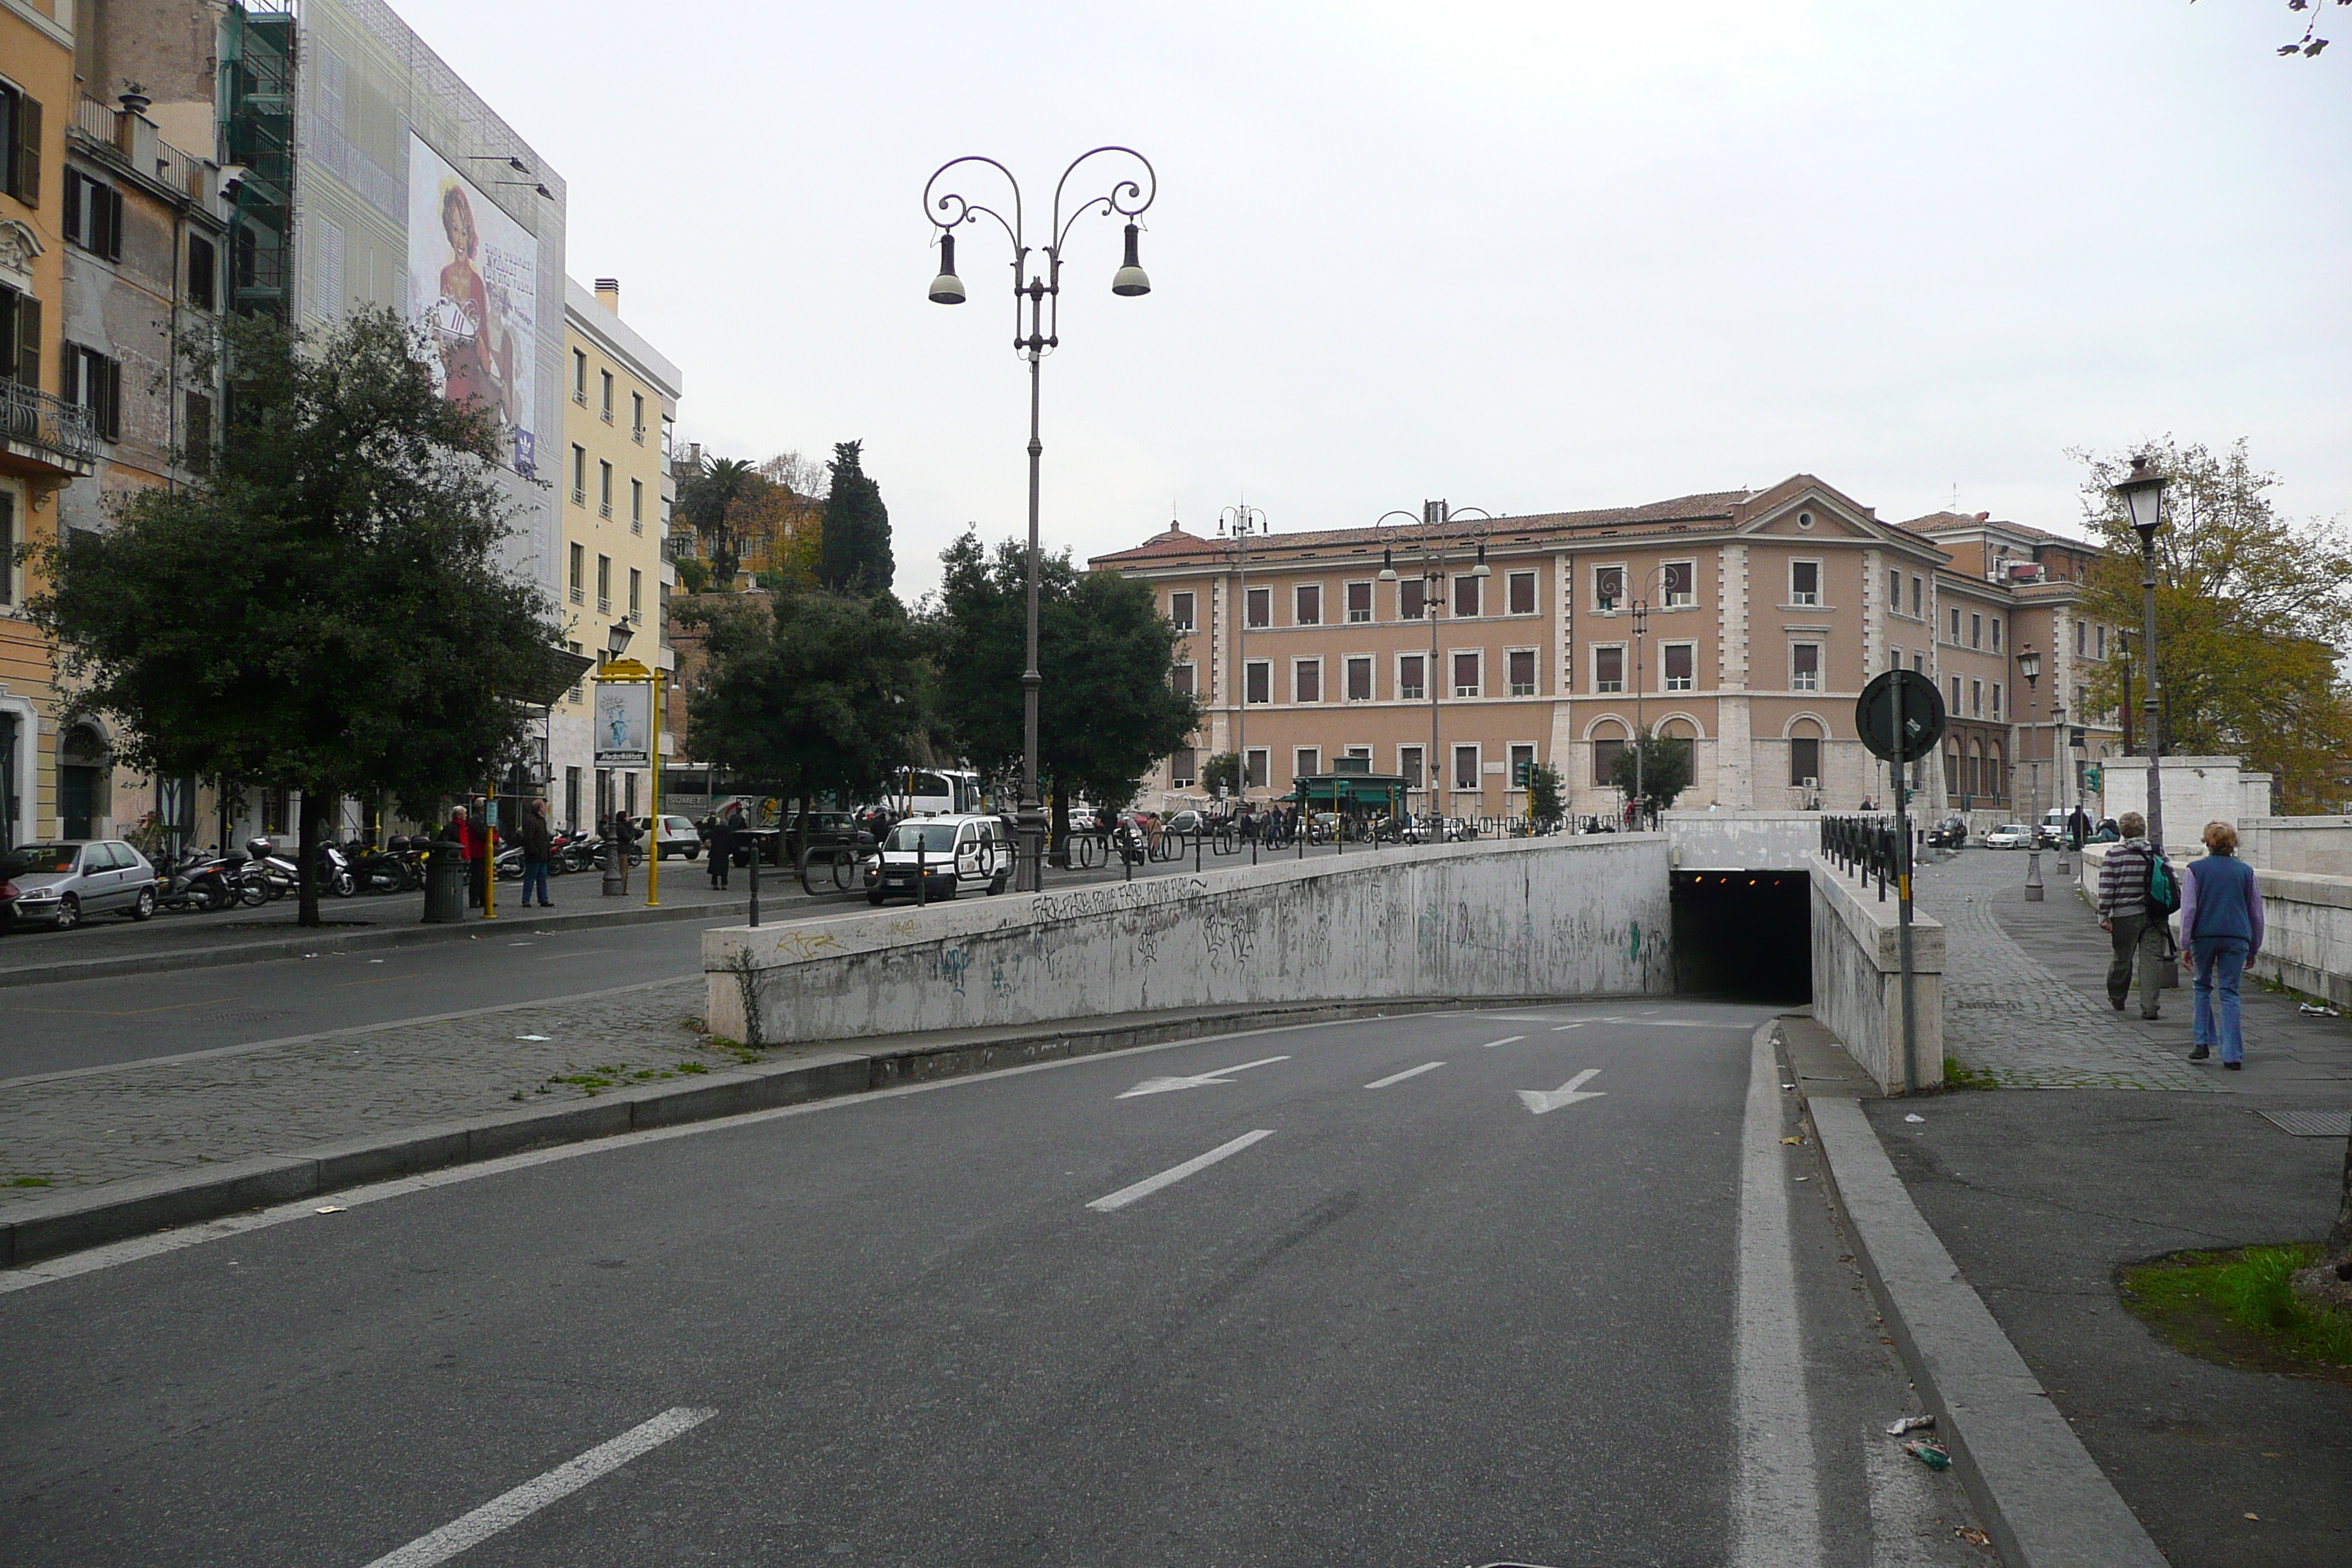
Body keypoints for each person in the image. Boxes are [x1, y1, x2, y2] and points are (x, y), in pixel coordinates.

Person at [2181, 821, 2265, 1069]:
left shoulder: (2195, 870)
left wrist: (2185, 942)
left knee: (2202, 986)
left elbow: (2189, 910)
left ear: (2208, 844)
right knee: (2230, 992)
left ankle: (2202, 1041)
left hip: (2205, 935)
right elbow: (2256, 913)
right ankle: (2232, 1054)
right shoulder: (2245, 872)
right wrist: (2254, 947)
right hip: (2237, 936)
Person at [2096, 811, 2166, 1020]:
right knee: (2152, 960)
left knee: (2122, 958)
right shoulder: (2156, 851)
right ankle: (2150, 1006)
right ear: (2143, 830)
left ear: (2122, 831)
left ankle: (2117, 996)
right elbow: (2168, 878)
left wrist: (2104, 914)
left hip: (2125, 915)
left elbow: (2107, 887)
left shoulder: (2114, 854)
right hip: (2155, 914)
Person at [709, 806, 740, 890]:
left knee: (715, 869)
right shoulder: (729, 831)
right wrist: (731, 851)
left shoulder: (715, 830)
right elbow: (732, 843)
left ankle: (715, 884)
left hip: (715, 851)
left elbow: (709, 838)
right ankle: (724, 884)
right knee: (724, 870)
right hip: (724, 852)